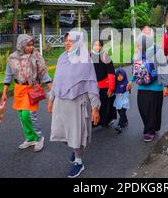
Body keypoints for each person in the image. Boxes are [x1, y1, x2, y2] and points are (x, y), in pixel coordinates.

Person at [48, 31, 101, 178]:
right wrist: (51, 99)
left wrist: (95, 108)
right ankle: (74, 149)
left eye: (71, 41)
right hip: (61, 102)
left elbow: (91, 85)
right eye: (65, 40)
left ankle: (79, 162)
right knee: (62, 132)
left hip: (78, 103)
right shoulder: (62, 58)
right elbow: (57, 79)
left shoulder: (85, 60)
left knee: (77, 135)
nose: (67, 43)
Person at [0, 34, 52, 152]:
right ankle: (30, 138)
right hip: (19, 88)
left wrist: (51, 90)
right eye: (28, 45)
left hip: (32, 88)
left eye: (32, 45)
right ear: (21, 45)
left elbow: (44, 73)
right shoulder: (12, 58)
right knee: (22, 115)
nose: (31, 47)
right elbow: (8, 76)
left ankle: (39, 138)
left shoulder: (36, 56)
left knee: (29, 114)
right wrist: (4, 93)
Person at [127, 31, 168, 142]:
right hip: (142, 86)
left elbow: (164, 68)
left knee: (153, 109)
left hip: (155, 87)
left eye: (139, 44)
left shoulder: (158, 51)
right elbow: (135, 68)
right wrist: (131, 81)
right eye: (137, 44)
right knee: (143, 108)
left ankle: (149, 131)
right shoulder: (138, 53)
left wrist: (166, 85)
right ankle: (151, 127)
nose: (138, 46)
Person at [90, 40, 116, 128]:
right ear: (92, 46)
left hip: (105, 84)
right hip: (92, 85)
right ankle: (95, 120)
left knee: (105, 104)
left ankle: (105, 120)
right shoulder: (88, 56)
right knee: (94, 104)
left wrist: (111, 87)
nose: (98, 47)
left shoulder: (105, 57)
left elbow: (111, 73)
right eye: (96, 45)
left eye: (100, 45)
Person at [113, 68, 130, 133]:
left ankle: (119, 125)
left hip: (125, 100)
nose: (119, 77)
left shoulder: (126, 83)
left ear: (124, 75)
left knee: (122, 112)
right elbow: (113, 90)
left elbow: (128, 89)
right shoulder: (116, 83)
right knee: (120, 112)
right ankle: (125, 120)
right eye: (118, 76)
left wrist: (128, 87)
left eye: (121, 75)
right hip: (118, 101)